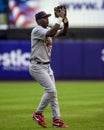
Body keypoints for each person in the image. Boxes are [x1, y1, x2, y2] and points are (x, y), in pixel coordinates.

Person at [29, 6, 69, 128]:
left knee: (53, 94)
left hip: (46, 67)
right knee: (50, 90)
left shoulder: (47, 29)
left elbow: (63, 33)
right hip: (37, 66)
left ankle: (56, 120)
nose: (46, 20)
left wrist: (65, 19)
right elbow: (51, 32)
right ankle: (38, 113)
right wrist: (60, 18)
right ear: (38, 20)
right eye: (44, 18)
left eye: (47, 17)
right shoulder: (37, 30)